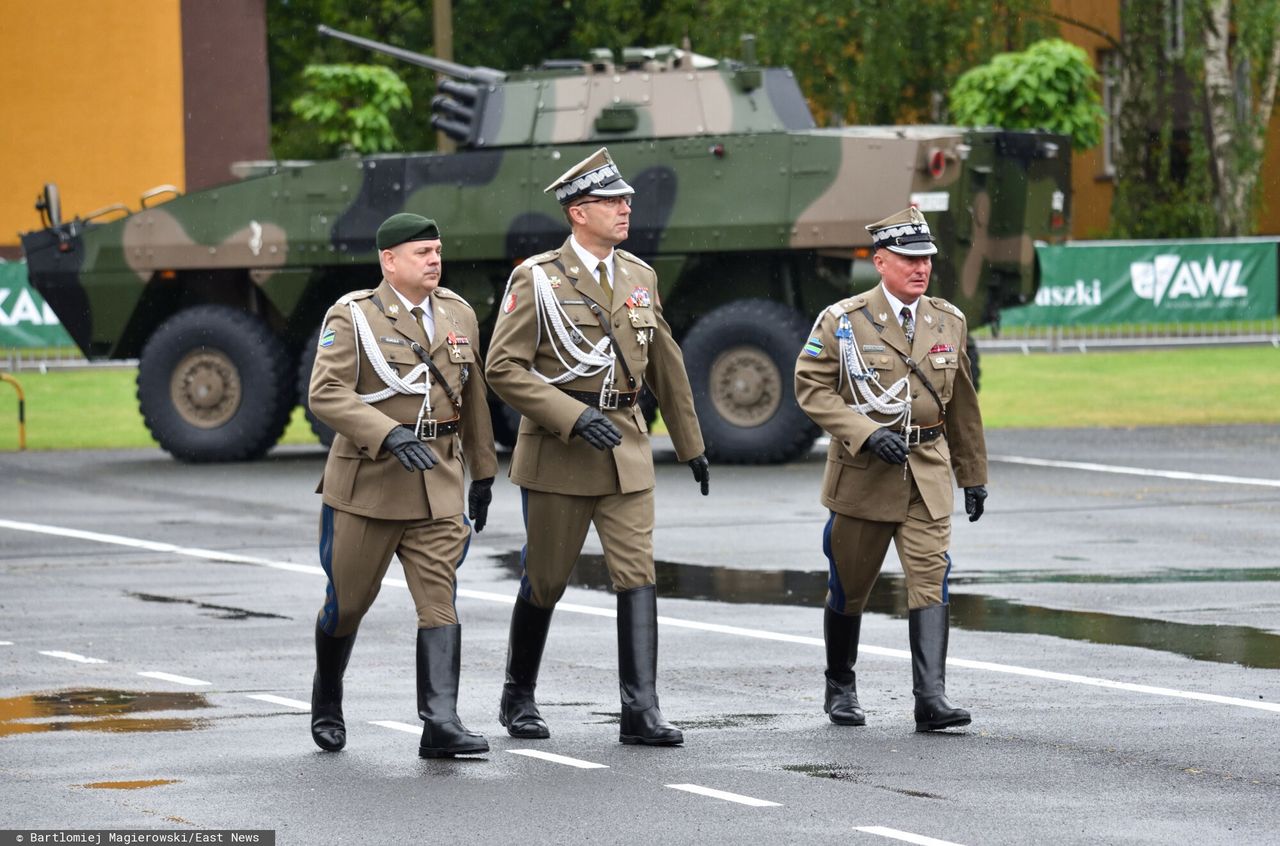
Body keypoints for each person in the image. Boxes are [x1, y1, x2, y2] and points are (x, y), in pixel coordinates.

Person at [485, 147, 710, 746]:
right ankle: (518, 696)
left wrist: (690, 444)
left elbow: (666, 361)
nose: (625, 208)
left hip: (628, 445)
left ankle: (640, 709)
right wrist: (571, 417)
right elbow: (502, 367)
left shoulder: (640, 276)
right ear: (578, 212)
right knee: (547, 580)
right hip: (560, 453)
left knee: (637, 573)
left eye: (626, 200)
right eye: (612, 201)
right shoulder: (536, 278)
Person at [307, 212, 497, 757]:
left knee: (439, 602)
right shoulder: (353, 317)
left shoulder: (458, 313)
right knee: (346, 605)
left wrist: (482, 473)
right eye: (422, 252)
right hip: (368, 486)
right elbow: (326, 393)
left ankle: (440, 722)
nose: (435, 260)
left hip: (438, 481)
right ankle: (327, 697)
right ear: (389, 261)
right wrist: (387, 434)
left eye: (438, 250)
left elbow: (473, 398)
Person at [794, 206, 988, 732]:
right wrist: (863, 432)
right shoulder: (843, 321)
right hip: (863, 475)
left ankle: (931, 698)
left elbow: (962, 404)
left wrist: (973, 475)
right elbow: (810, 388)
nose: (920, 267)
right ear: (881, 261)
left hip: (927, 469)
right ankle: (840, 686)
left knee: (930, 578)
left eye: (926, 258)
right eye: (908, 259)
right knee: (850, 586)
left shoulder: (947, 320)